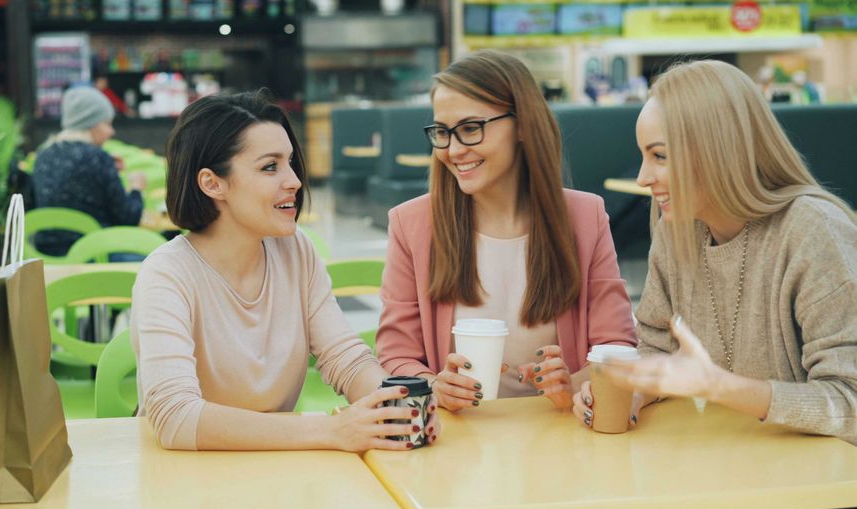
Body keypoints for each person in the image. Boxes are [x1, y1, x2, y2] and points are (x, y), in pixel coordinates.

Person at [572, 60, 857, 509]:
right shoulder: (677, 228)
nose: (643, 177)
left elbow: (850, 403)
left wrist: (721, 387)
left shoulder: (813, 230)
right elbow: (657, 348)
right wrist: (633, 389)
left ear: (719, 150)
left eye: (660, 156)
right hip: (758, 484)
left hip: (839, 491)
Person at [130, 90, 440, 451]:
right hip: (183, 482)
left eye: (290, 162)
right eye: (269, 166)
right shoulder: (166, 274)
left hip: (276, 470)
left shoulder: (295, 250)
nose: (294, 180)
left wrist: (403, 406)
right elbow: (176, 417)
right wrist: (332, 431)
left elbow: (346, 359)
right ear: (212, 183)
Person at [376, 49, 637, 414]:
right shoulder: (412, 224)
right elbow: (395, 355)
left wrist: (575, 382)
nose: (452, 150)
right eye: (442, 132)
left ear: (523, 126)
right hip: (460, 440)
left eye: (470, 129)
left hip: (557, 434)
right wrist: (436, 385)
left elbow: (616, 345)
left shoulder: (585, 216)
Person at [32, 86, 146, 256]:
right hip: (95, 255)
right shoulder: (98, 158)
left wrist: (108, 169)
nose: (111, 131)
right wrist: (137, 188)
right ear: (90, 124)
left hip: (46, 256)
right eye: (107, 124)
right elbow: (128, 218)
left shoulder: (42, 155)